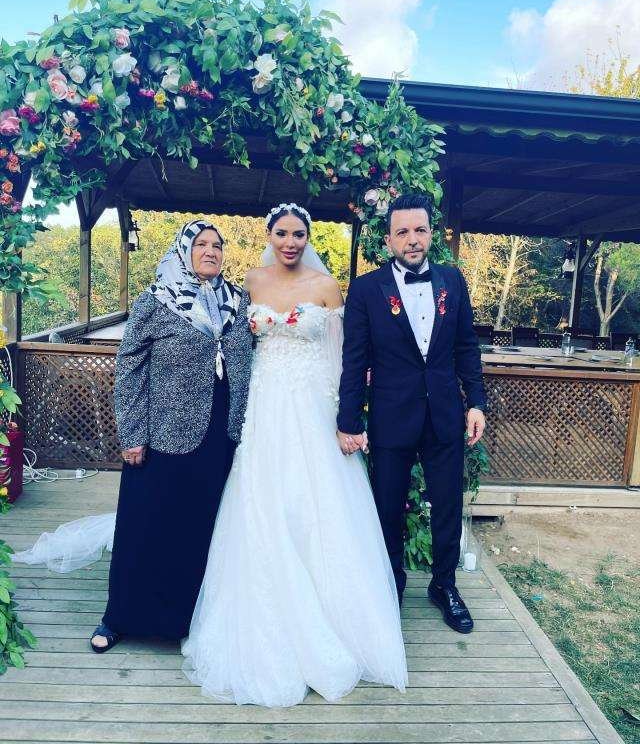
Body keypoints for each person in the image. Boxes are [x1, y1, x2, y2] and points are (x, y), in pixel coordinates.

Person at [181, 203, 407, 707]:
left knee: (317, 502)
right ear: (269, 235)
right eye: (282, 233)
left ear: (308, 237)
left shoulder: (326, 288)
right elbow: (233, 345)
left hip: (312, 405)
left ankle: (334, 620)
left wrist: (346, 419)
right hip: (264, 405)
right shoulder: (250, 282)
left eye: (298, 234)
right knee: (262, 500)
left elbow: (343, 357)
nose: (290, 241)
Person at [14, 220, 253, 653]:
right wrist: (131, 434)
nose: (210, 251)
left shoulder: (237, 302)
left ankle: (180, 621)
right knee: (144, 526)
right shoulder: (155, 301)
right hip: (161, 434)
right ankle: (119, 618)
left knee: (197, 529)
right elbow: (129, 371)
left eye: (217, 245)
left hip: (219, 435)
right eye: (200, 244)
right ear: (183, 251)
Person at [337, 193, 487, 634]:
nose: (412, 239)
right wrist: (349, 422)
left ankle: (444, 585)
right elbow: (354, 359)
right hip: (391, 417)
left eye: (419, 230)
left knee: (447, 505)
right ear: (388, 240)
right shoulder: (366, 289)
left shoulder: (452, 281)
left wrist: (476, 402)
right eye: (402, 232)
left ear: (431, 234)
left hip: (444, 414)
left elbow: (466, 347)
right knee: (387, 508)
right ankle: (392, 585)